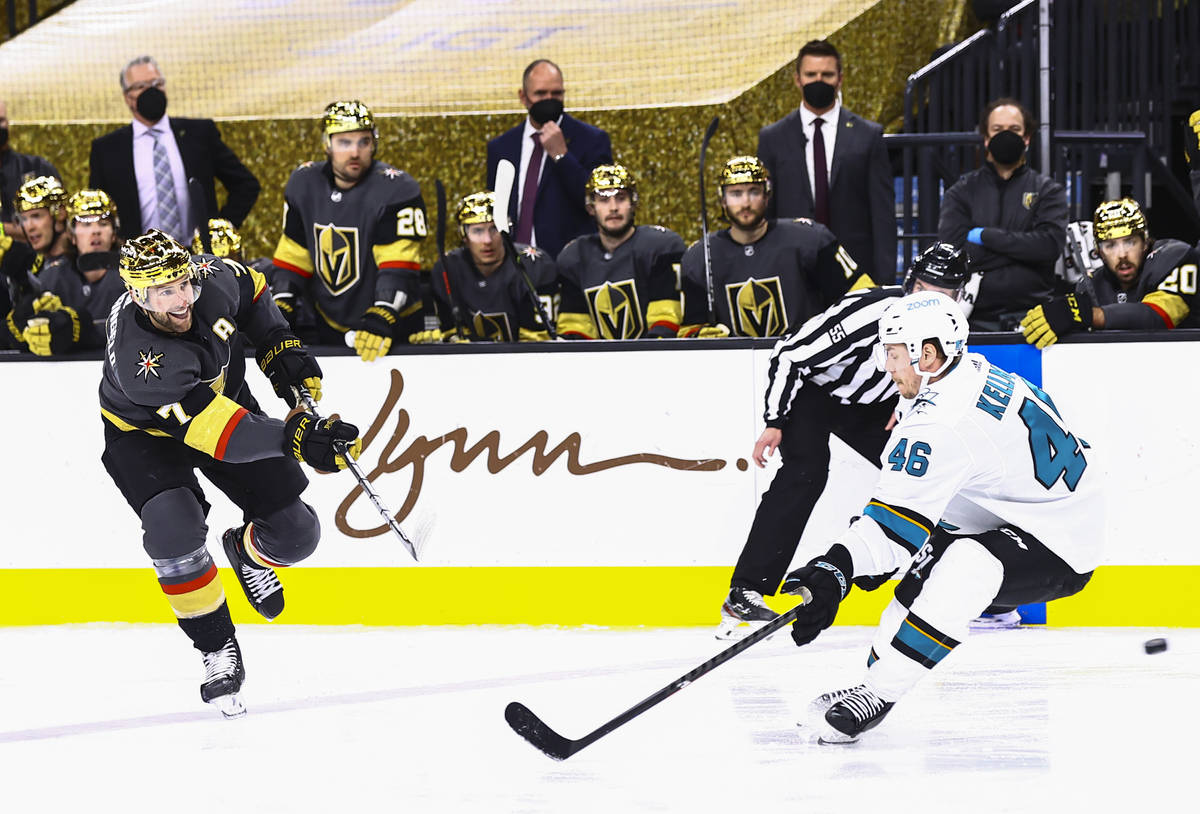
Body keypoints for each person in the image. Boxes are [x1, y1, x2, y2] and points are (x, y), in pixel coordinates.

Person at [779, 290, 1102, 743]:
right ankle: (873, 684)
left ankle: (879, 692)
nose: (885, 365)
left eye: (892, 353)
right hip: (1013, 507)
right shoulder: (963, 371)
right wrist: (864, 557)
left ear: (926, 354)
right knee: (923, 564)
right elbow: (907, 510)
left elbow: (893, 528)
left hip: (1062, 538)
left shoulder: (941, 420)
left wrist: (838, 568)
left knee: (964, 564)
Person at [99, 229, 362, 717]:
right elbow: (223, 436)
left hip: (222, 404)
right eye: (163, 291)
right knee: (172, 529)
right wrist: (297, 437)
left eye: (183, 284)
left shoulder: (212, 278)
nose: (181, 299)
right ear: (136, 294)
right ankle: (215, 646)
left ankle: (246, 553)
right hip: (146, 435)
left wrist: (280, 347)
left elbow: (255, 291)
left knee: (297, 535)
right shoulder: (142, 362)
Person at [717, 243, 969, 639]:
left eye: (944, 294)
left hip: (870, 405)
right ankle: (746, 590)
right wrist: (775, 419)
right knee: (807, 471)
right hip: (813, 391)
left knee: (921, 468)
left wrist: (903, 406)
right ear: (909, 284)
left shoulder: (951, 327)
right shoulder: (870, 313)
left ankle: (948, 577)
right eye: (923, 289)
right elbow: (790, 354)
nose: (929, 303)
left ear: (959, 297)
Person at [271, 100, 427, 360]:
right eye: (345, 142)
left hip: (393, 326)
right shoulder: (303, 183)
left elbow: (398, 265)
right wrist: (282, 301)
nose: (355, 152)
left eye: (363, 142)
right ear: (327, 144)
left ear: (374, 143)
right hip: (328, 322)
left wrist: (383, 313)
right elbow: (293, 254)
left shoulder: (398, 188)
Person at [678, 155, 870, 339]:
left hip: (808, 362)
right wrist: (700, 335)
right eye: (736, 193)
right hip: (732, 367)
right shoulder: (699, 257)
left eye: (754, 191)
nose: (745, 202)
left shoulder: (811, 239)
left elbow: (864, 298)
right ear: (723, 200)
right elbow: (688, 328)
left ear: (767, 195)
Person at [757, 40, 895, 284]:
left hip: (855, 270)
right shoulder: (773, 138)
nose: (818, 80)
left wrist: (884, 282)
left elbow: (882, 215)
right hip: (791, 270)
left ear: (840, 79)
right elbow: (766, 211)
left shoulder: (868, 135)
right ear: (797, 79)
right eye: (811, 74)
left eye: (827, 74)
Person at [88, 55, 260, 242]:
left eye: (157, 83)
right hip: (139, 262)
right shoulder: (107, 150)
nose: (151, 91)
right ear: (127, 97)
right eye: (141, 87)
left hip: (197, 259)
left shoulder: (199, 134)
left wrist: (219, 231)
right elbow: (99, 210)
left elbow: (246, 184)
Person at [937, 98, 1068, 331]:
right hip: (972, 318)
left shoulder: (1048, 191)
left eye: (1014, 130)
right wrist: (1023, 249)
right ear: (986, 138)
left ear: (1026, 138)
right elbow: (954, 252)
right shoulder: (961, 192)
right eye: (997, 130)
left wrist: (985, 237)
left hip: (1034, 318)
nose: (1006, 136)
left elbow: (1048, 248)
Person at [1020, 198, 1200, 347]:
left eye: (1130, 242)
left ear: (1145, 242)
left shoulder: (1176, 257)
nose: (1122, 254)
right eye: (1110, 245)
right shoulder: (1090, 285)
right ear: (1098, 252)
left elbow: (1161, 316)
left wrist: (1091, 315)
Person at [486, 59, 613, 260]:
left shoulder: (591, 140)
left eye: (556, 93)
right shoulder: (501, 148)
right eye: (540, 94)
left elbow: (599, 203)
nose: (549, 99)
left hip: (570, 264)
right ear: (523, 96)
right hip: (513, 265)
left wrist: (561, 156)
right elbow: (497, 208)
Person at [556, 164, 685, 339]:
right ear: (590, 208)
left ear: (633, 203)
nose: (613, 207)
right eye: (604, 199)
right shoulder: (574, 256)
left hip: (653, 361)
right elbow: (574, 329)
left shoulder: (661, 247)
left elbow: (665, 320)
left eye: (621, 198)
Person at [410, 191, 556, 343]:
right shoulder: (447, 269)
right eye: (477, 231)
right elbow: (451, 333)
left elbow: (539, 344)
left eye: (494, 228)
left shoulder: (534, 264)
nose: (487, 240)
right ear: (463, 234)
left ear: (506, 229)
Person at [9, 189, 126, 355]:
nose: (95, 231)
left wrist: (82, 332)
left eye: (103, 223)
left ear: (114, 234)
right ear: (72, 236)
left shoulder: (134, 276)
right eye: (86, 224)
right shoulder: (52, 275)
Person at [2, 176, 71, 349]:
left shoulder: (79, 264)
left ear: (60, 213)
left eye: (36, 216)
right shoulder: (30, 264)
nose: (29, 226)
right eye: (23, 219)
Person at [0, 99, 61, 242]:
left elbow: (58, 224)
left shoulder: (37, 168)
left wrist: (3, 229)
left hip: (34, 260)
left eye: (1, 121)